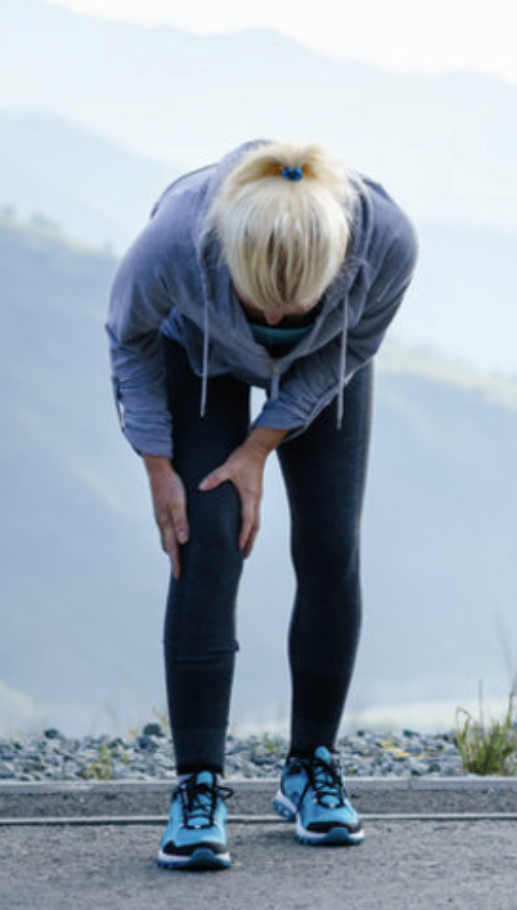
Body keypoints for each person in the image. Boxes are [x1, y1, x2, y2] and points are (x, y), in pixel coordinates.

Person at [107, 139, 417, 871]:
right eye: (260, 308)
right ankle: (198, 785)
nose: (275, 322)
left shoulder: (386, 245)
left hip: (327, 364)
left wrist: (259, 447)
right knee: (204, 535)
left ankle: (310, 765)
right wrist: (158, 465)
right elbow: (129, 340)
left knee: (330, 541)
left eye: (294, 311)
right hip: (198, 355)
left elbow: (357, 348)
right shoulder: (173, 245)